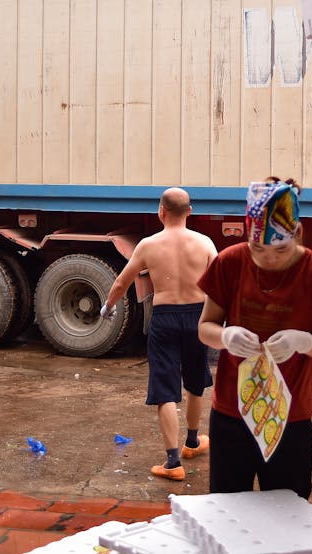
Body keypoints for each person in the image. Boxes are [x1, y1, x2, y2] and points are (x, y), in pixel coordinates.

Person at [197, 178, 312, 499]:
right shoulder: (230, 262)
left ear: (298, 233)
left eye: (280, 249)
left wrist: (304, 342)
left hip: (289, 418)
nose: (268, 258)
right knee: (227, 512)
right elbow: (205, 328)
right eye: (258, 248)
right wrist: (226, 335)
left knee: (287, 518)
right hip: (230, 415)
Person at [101, 187, 219, 481]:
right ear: (190, 212)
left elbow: (121, 283)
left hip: (165, 319)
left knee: (165, 389)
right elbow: (221, 283)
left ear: (161, 211)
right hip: (198, 317)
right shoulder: (204, 243)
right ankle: (192, 441)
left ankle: (172, 462)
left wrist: (107, 308)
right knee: (195, 381)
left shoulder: (148, 245)